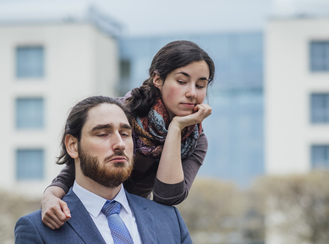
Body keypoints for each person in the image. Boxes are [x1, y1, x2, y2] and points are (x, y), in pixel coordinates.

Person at [14, 96, 215, 244]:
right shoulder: (37, 231)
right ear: (73, 145)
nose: (119, 143)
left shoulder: (168, 219)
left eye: (126, 134)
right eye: (102, 133)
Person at [42, 40, 215, 230]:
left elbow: (167, 197)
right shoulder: (121, 112)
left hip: (132, 222)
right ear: (157, 79)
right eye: (181, 81)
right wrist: (50, 196)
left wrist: (175, 129)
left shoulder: (194, 139)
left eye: (200, 85)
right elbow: (79, 165)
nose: (192, 93)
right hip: (83, 214)